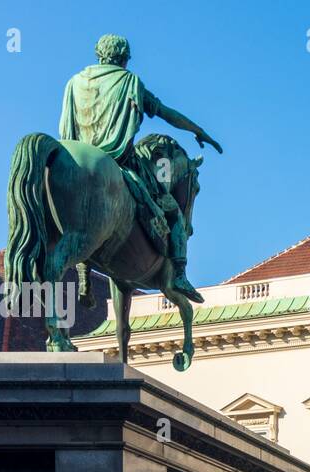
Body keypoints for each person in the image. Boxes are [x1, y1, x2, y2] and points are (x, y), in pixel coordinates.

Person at [59, 34, 222, 303]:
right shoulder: (129, 81)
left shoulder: (74, 82)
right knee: (171, 210)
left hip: (75, 161)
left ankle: (83, 269)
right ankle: (179, 272)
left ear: (99, 54)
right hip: (119, 158)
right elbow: (166, 113)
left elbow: (67, 130)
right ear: (124, 59)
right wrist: (198, 131)